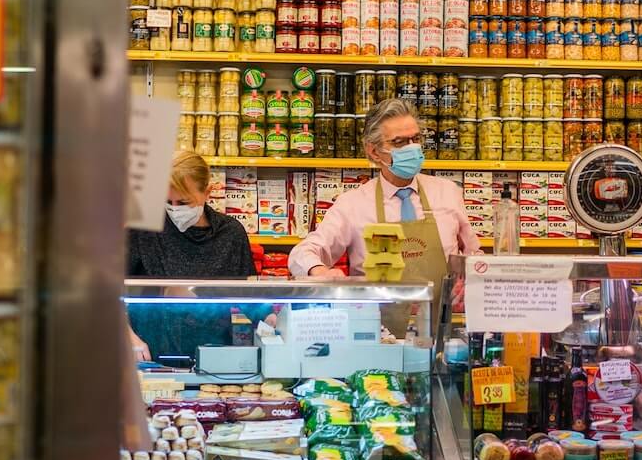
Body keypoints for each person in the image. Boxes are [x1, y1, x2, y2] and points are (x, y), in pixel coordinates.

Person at [288, 98, 479, 283]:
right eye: (399, 142)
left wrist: (472, 279)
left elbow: (474, 258)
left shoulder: (448, 192)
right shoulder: (353, 204)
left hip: (441, 314)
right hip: (377, 315)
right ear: (374, 152)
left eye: (416, 139)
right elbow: (302, 253)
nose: (412, 148)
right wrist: (319, 271)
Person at [127, 151, 258, 361]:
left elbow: (250, 300)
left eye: (184, 202)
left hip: (217, 357)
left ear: (208, 192)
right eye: (168, 202)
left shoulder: (231, 233)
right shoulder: (145, 230)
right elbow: (109, 292)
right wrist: (129, 337)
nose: (175, 209)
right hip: (151, 355)